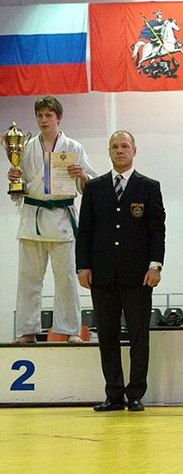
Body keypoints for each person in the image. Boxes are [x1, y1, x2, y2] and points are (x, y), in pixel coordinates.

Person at [76, 130, 166, 412]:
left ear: (134, 151)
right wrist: (83, 266)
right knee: (108, 336)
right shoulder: (94, 188)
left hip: (138, 275)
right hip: (102, 275)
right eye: (114, 146)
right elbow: (85, 231)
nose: (119, 150)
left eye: (124, 146)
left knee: (139, 335)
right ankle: (113, 393)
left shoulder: (149, 187)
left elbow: (157, 231)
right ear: (109, 151)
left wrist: (155, 265)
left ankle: (136, 393)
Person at [7, 96, 96, 344]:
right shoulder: (25, 148)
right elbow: (19, 189)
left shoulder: (74, 148)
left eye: (48, 115)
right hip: (32, 220)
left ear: (59, 117)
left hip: (62, 222)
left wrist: (81, 175)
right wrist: (14, 178)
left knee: (66, 279)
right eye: (40, 116)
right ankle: (26, 332)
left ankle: (69, 331)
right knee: (28, 280)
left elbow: (91, 185)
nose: (44, 120)